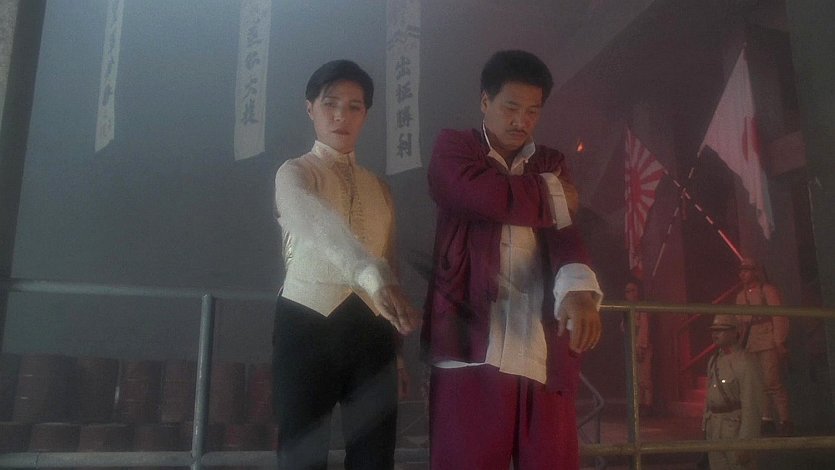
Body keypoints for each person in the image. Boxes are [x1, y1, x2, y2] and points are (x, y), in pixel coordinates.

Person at [422, 50, 603, 470]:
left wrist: (578, 291)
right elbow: (473, 194)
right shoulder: (454, 148)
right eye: (510, 107)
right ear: (485, 101)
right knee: (466, 462)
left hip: (539, 339)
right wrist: (553, 194)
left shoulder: (550, 161)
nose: (521, 120)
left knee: (551, 461)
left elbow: (565, 234)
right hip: (469, 339)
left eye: (532, 111)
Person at [271, 59, 420, 470]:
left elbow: (390, 262)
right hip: (306, 322)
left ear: (366, 115)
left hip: (372, 331)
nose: (342, 115)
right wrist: (371, 274)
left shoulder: (379, 187)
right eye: (331, 103)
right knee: (302, 455)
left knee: (375, 455)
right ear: (310, 108)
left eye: (355, 107)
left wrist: (397, 354)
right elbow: (314, 224)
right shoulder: (295, 173)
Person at [734, 257, 792, 436]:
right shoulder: (741, 296)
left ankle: (785, 419)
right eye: (741, 271)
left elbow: (778, 317)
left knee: (772, 382)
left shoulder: (767, 291)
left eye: (747, 270)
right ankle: (766, 418)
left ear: (755, 272)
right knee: (759, 383)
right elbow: (741, 323)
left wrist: (779, 341)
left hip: (768, 341)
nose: (743, 274)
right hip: (751, 343)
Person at [703, 314, 764, 470]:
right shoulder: (714, 360)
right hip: (714, 427)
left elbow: (752, 404)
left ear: (734, 332)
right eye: (714, 330)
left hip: (734, 427)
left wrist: (746, 442)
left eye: (721, 330)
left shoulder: (745, 362)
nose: (715, 334)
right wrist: (705, 426)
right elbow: (709, 397)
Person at [623, 279, 654, 413]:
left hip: (641, 346)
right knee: (635, 378)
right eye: (627, 291)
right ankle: (639, 405)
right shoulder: (628, 309)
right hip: (631, 345)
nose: (630, 294)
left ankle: (648, 406)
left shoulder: (641, 308)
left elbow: (644, 329)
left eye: (633, 290)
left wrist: (641, 346)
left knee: (644, 378)